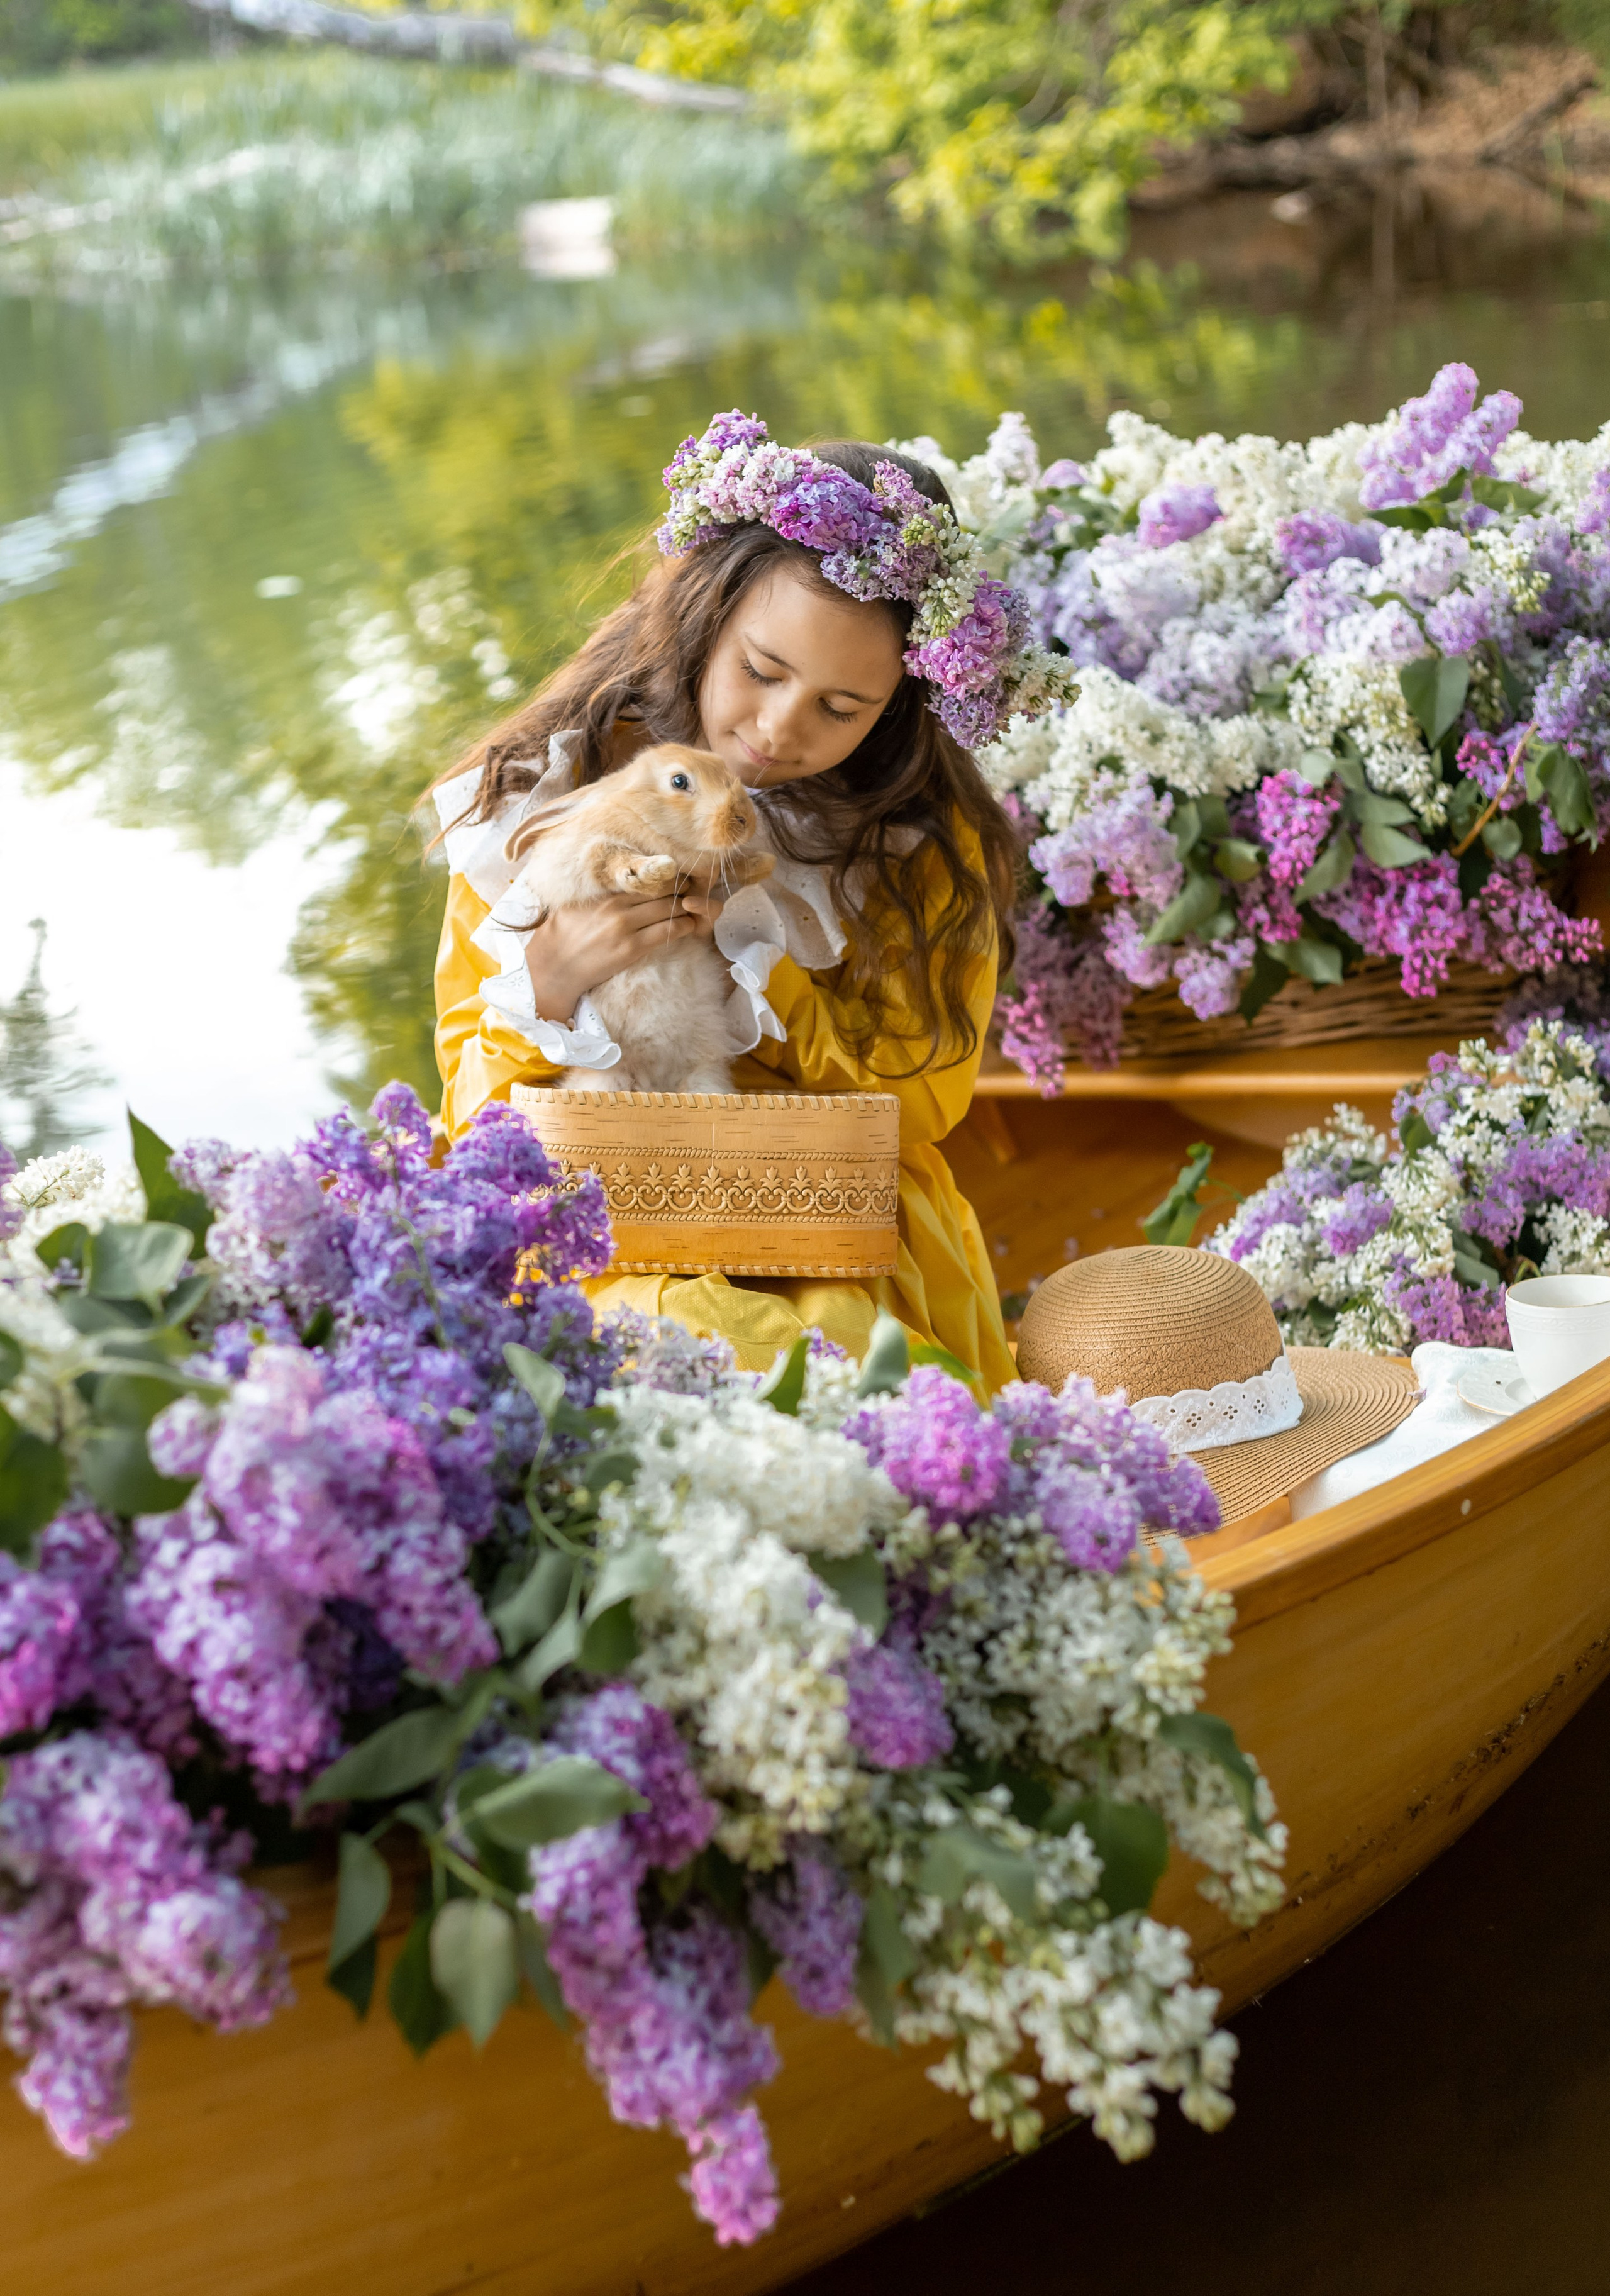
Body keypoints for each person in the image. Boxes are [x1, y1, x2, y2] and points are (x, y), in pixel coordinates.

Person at [430, 411, 1074, 1387]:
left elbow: (916, 1108)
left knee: (818, 1357)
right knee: (642, 1332)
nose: (779, 728)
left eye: (842, 707)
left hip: (819, 1211)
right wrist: (551, 981)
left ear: (901, 703)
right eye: (761, 671)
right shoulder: (544, 786)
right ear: (706, 614)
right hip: (593, 1194)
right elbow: (467, 1087)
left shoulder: (919, 852)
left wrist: (766, 988)